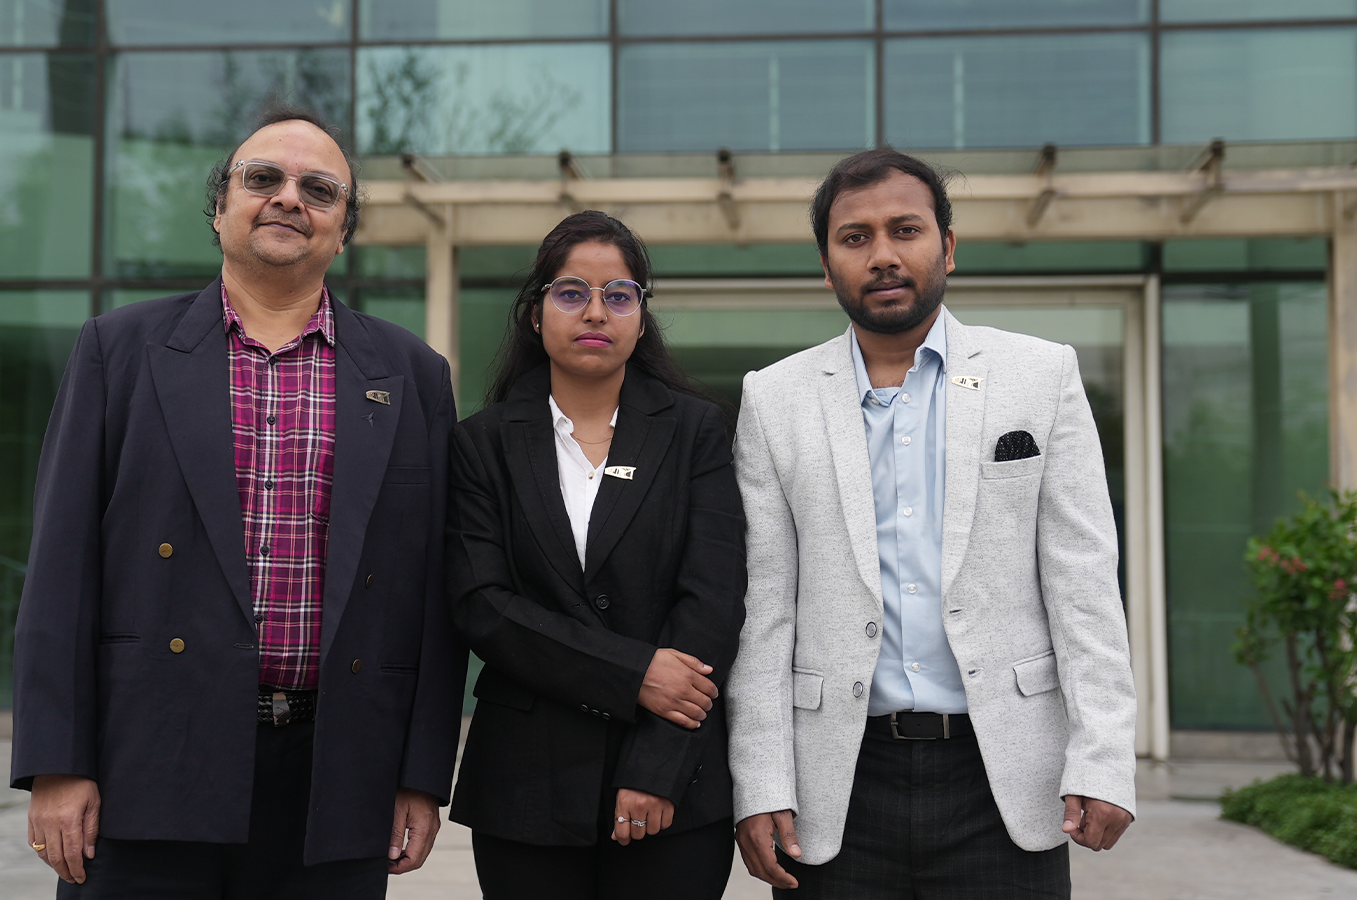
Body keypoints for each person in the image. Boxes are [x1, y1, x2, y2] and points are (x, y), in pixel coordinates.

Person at [9, 104, 465, 899]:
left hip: (339, 773)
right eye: (264, 179)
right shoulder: (118, 353)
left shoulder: (413, 373)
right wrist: (57, 762)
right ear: (220, 209)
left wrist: (421, 774)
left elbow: (428, 592)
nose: (290, 198)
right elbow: (60, 567)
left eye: (319, 190)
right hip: (147, 762)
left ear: (343, 230)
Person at [726, 149, 1137, 898]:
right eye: (855, 238)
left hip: (1005, 776)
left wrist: (1104, 757)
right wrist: (758, 779)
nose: (883, 255)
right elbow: (764, 611)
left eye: (905, 230)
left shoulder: (1040, 376)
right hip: (838, 785)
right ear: (826, 264)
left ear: (946, 246)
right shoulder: (774, 398)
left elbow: (1084, 586)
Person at [446, 210, 746, 899]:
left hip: (676, 780)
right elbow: (480, 604)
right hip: (526, 784)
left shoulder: (697, 431)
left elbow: (714, 600)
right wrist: (634, 670)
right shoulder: (481, 443)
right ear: (535, 313)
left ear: (642, 317)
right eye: (571, 291)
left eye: (619, 295)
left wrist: (657, 768)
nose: (595, 311)